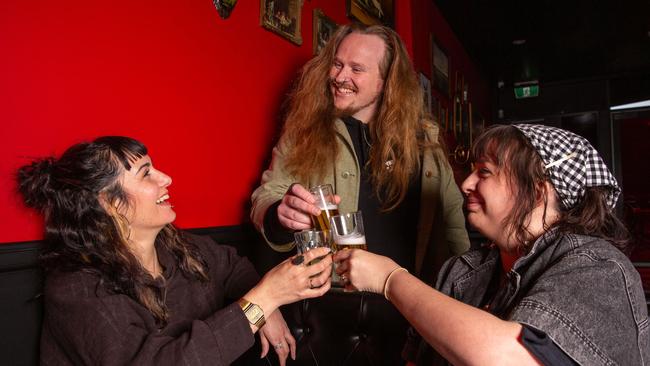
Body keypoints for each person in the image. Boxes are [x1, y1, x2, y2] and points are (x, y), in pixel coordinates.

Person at [335, 124, 650, 365]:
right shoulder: (460, 272)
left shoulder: (598, 269)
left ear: (539, 192)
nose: (466, 183)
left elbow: (509, 356)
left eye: (484, 172)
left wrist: (391, 279)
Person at [250, 23, 469, 364]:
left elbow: (454, 228)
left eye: (356, 69)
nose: (339, 76)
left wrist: (467, 300)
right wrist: (278, 212)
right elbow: (267, 194)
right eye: (337, 64)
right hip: (328, 310)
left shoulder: (425, 144)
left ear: (386, 82)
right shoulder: (305, 128)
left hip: (410, 311)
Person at [17, 136, 332, 366]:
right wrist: (264, 300)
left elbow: (233, 266)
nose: (166, 178)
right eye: (146, 173)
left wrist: (269, 311)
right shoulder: (78, 288)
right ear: (111, 203)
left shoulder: (177, 247)